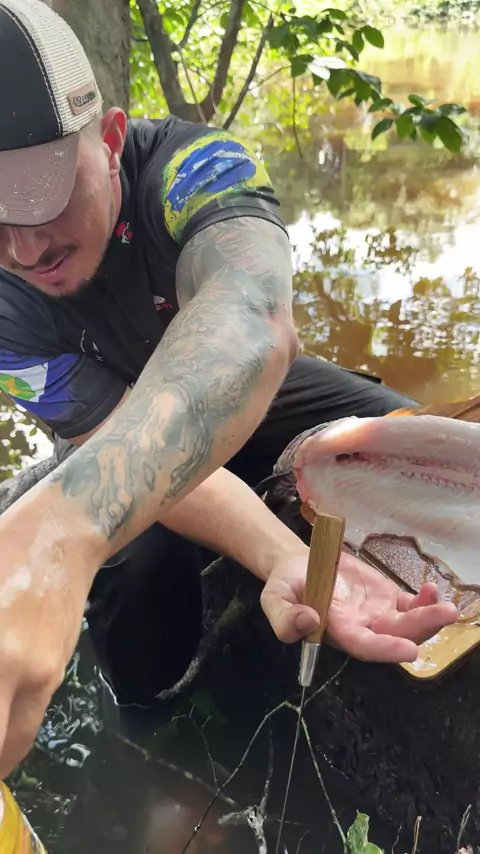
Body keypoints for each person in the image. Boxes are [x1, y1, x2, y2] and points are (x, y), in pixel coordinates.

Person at [0, 0, 458, 778]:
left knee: (407, 443)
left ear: (109, 140)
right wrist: (280, 554)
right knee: (140, 576)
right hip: (113, 438)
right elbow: (117, 440)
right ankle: (150, 731)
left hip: (248, 389)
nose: (25, 247)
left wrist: (58, 530)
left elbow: (251, 321)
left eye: (43, 198)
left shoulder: (195, 169)